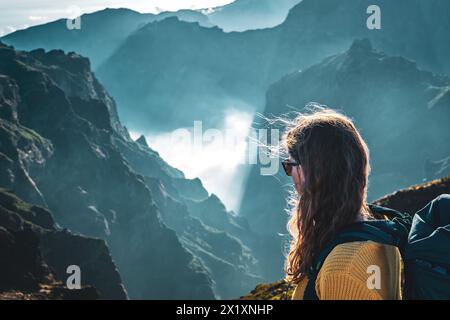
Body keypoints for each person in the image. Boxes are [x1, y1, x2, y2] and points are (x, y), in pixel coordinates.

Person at [282, 107, 402, 300]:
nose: (290, 176)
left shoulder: (342, 268)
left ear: (313, 174)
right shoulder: (381, 234)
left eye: (290, 166)